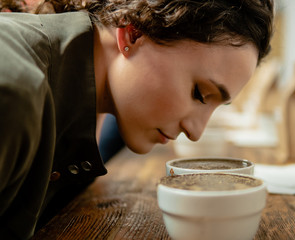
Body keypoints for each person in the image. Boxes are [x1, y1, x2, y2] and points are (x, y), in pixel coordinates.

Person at [0, 0, 274, 239]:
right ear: (134, 32)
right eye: (200, 94)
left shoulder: (77, 94)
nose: (196, 132)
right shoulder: (14, 95)